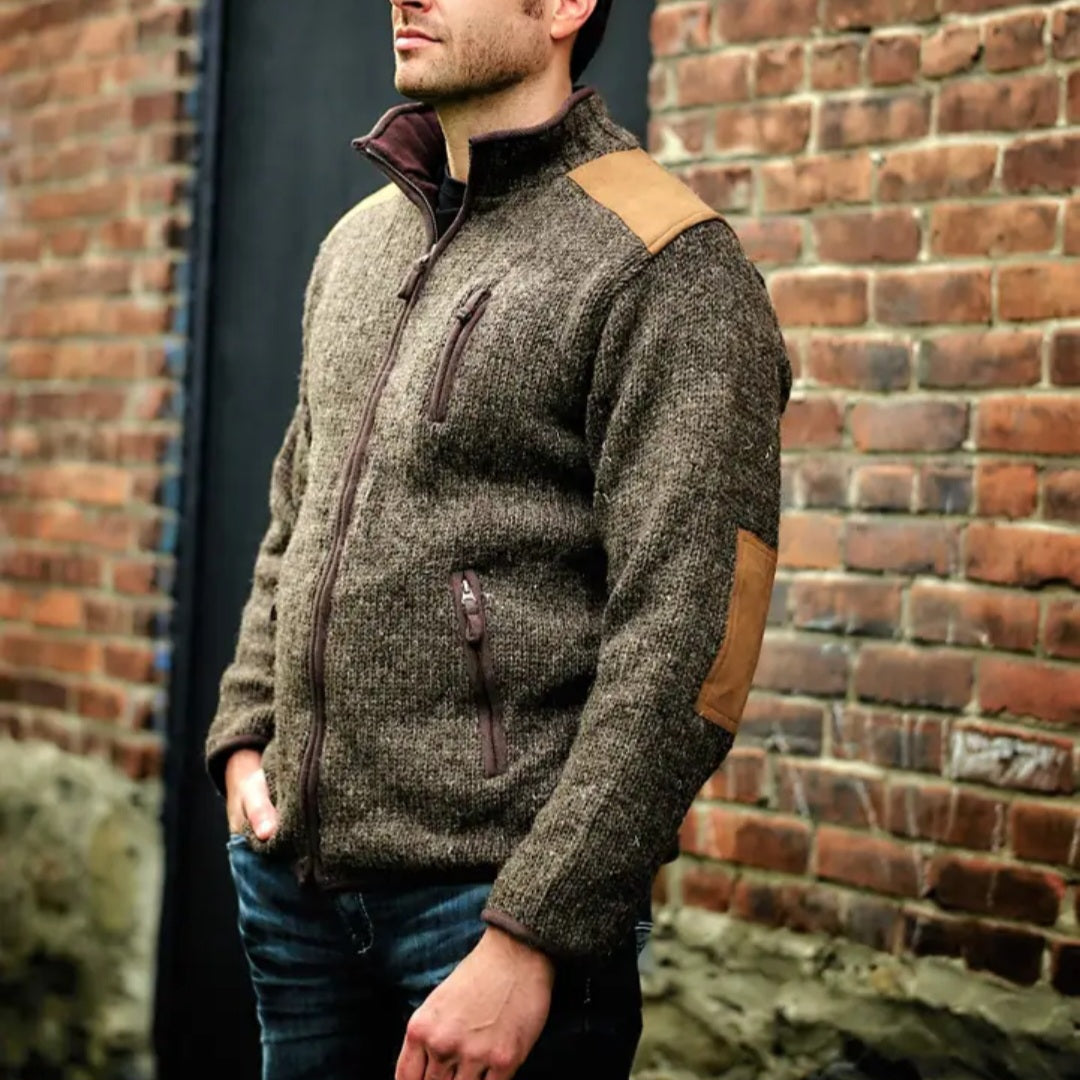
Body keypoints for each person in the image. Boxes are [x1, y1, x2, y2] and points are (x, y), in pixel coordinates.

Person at [204, 0, 791, 1077]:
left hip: (488, 918)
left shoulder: (667, 262)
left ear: (566, 6)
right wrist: (246, 736)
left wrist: (536, 933)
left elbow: (692, 639)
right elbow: (297, 511)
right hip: (293, 895)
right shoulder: (357, 242)